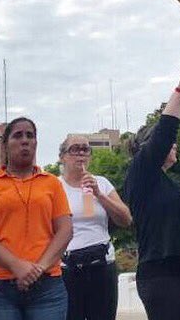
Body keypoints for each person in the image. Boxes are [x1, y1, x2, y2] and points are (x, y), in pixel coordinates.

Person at [0, 117, 73, 319]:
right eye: (17, 135)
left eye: (30, 135)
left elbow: (65, 230)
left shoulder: (52, 183)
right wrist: (16, 266)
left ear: (36, 143)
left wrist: (38, 268)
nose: (25, 140)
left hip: (47, 286)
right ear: (5, 144)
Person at [124, 69, 180, 320]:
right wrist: (179, 91)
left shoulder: (171, 185)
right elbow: (166, 129)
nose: (174, 143)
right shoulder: (142, 175)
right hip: (162, 275)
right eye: (170, 142)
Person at [58, 134, 133, 320]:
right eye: (75, 149)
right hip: (67, 267)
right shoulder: (54, 186)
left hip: (101, 264)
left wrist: (99, 194)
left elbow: (126, 219)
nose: (81, 154)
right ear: (63, 156)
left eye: (85, 149)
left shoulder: (101, 183)